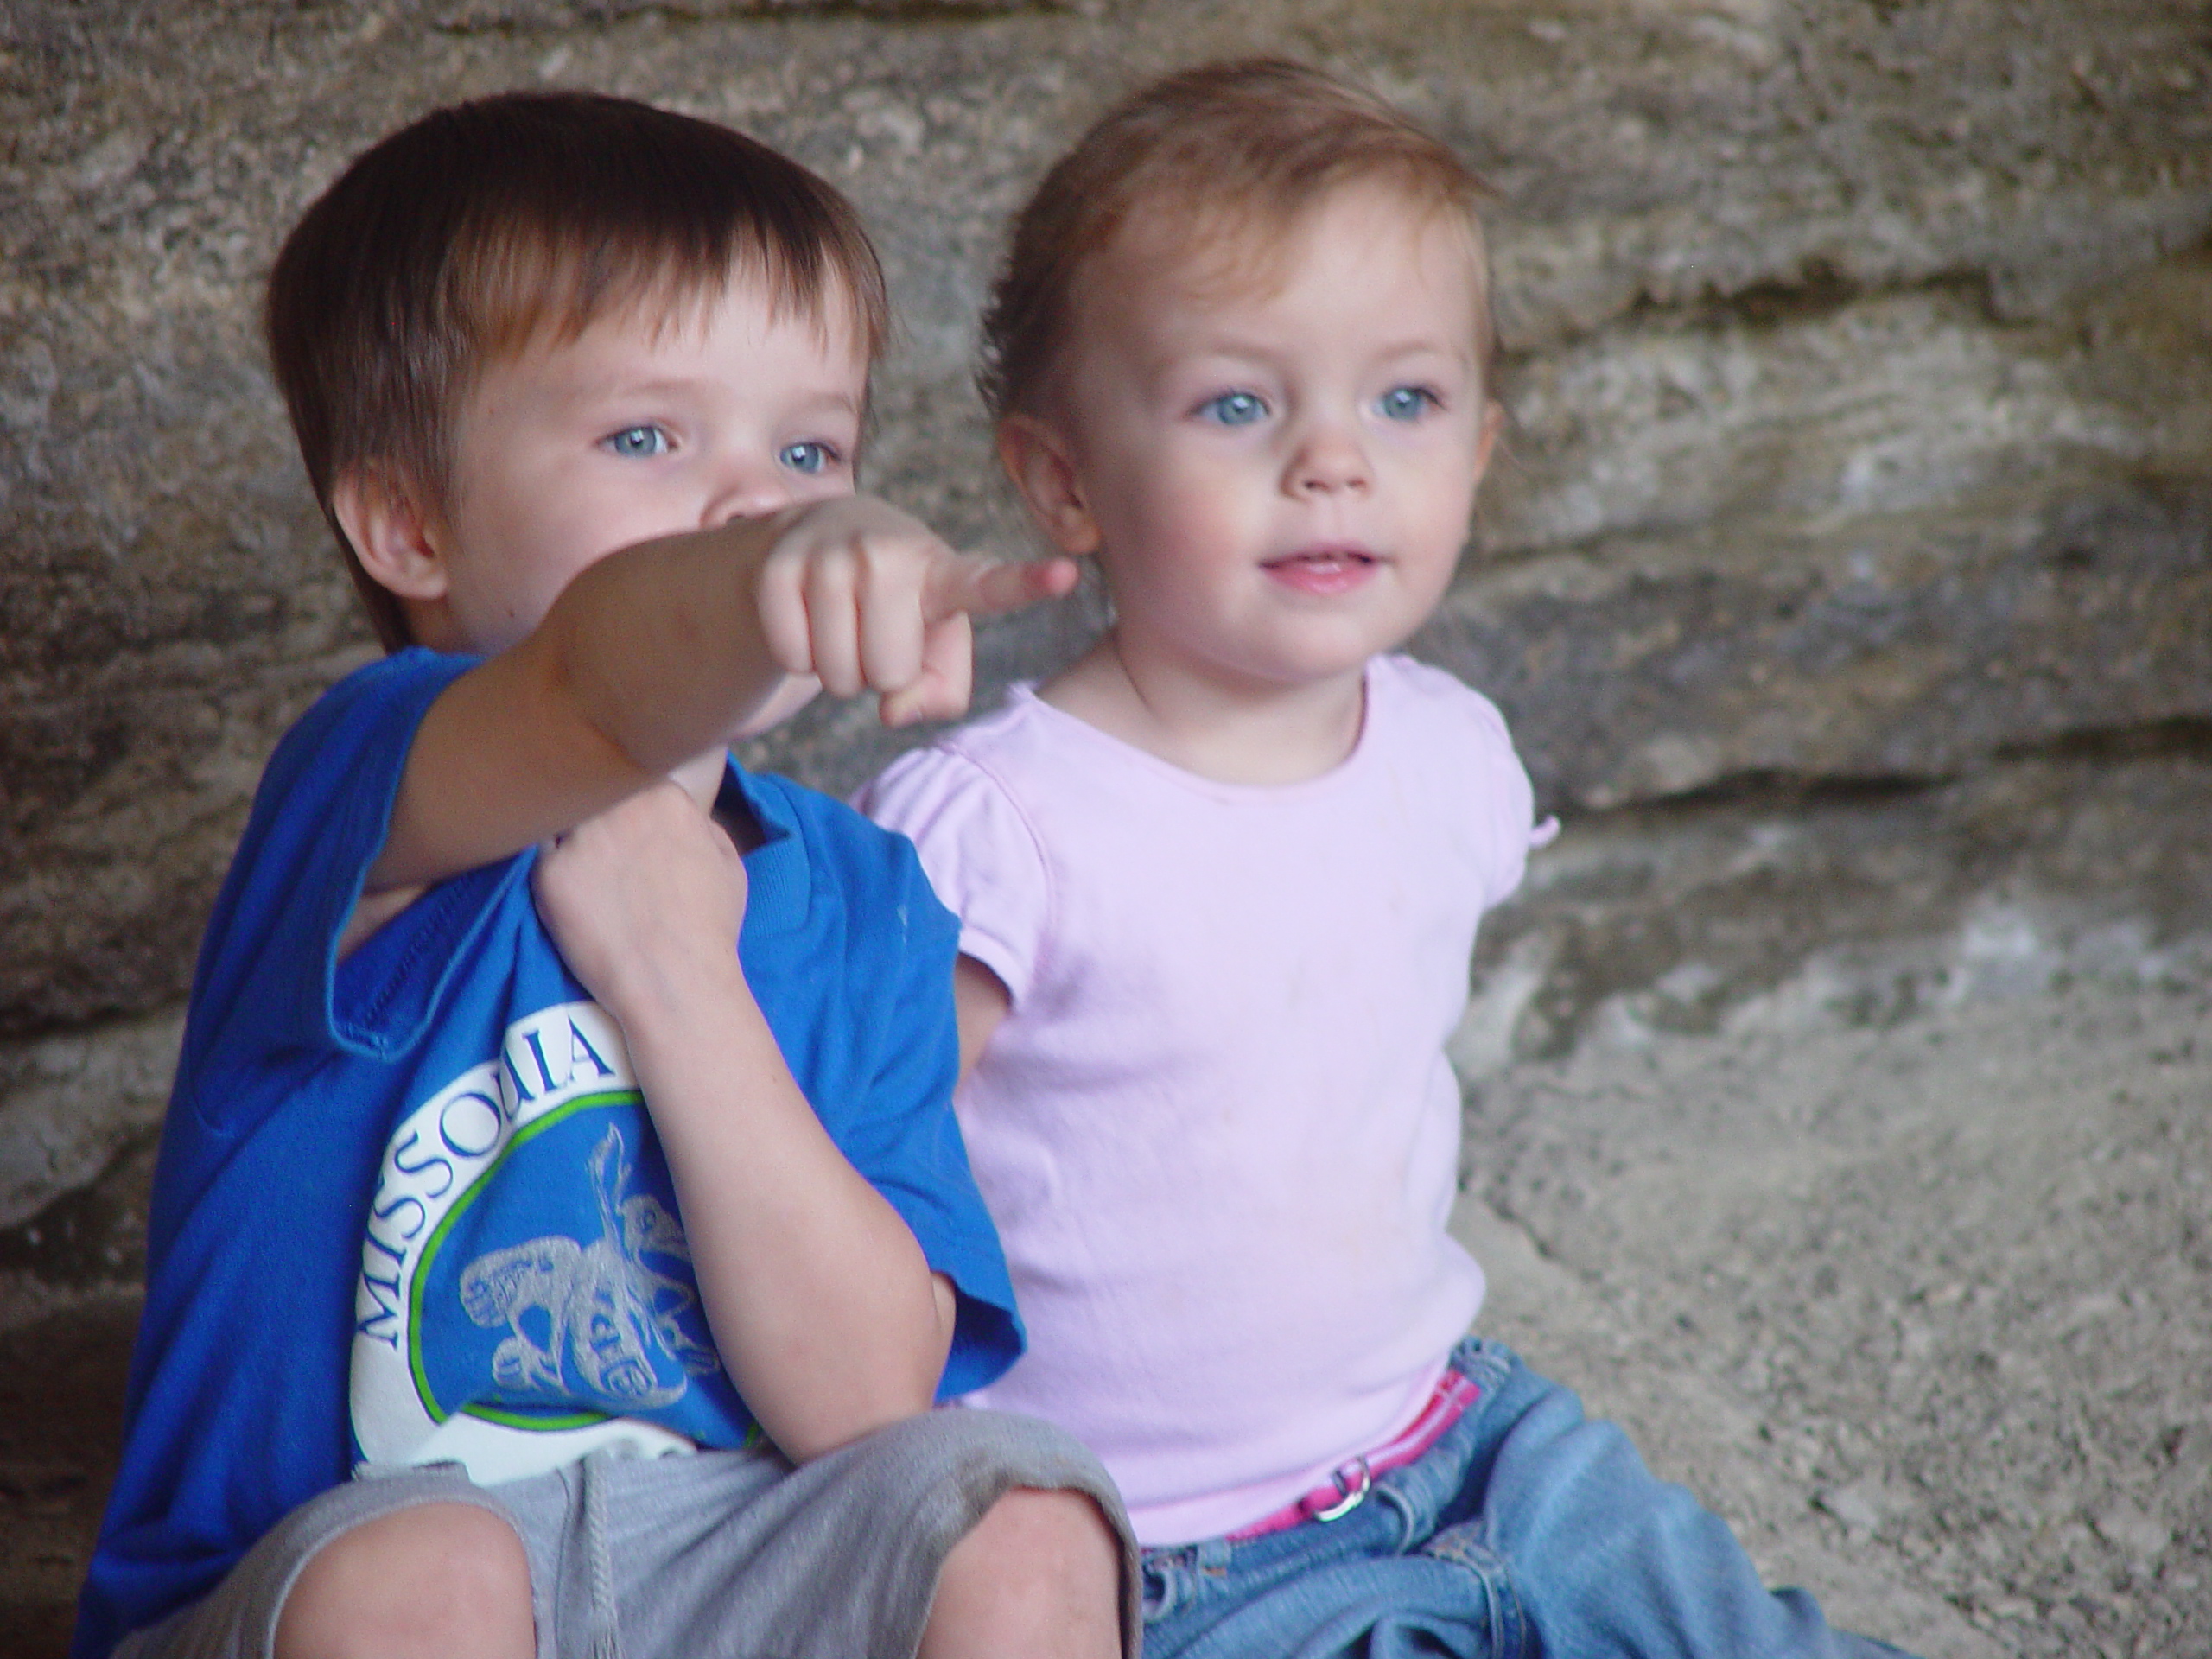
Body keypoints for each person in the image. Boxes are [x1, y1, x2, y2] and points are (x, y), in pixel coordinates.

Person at [859, 60, 1916, 1658]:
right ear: (1065, 479)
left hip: (1472, 1438)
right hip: (1161, 1546)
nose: (1332, 460)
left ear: (1480, 451)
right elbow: (849, 1163)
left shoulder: (1450, 754)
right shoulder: (1003, 830)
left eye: (1402, 401)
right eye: (1238, 403)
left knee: (1748, 1634)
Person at [74, 91, 1137, 1659]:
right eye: (647, 437)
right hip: (335, 1569)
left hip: (722, 1562)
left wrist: (679, 974)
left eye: (809, 448)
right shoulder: (374, 796)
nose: (757, 504)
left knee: (1024, 1521)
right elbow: (593, 679)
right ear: (407, 521)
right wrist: (762, 583)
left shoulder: (863, 901)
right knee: (426, 1576)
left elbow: (860, 1403)